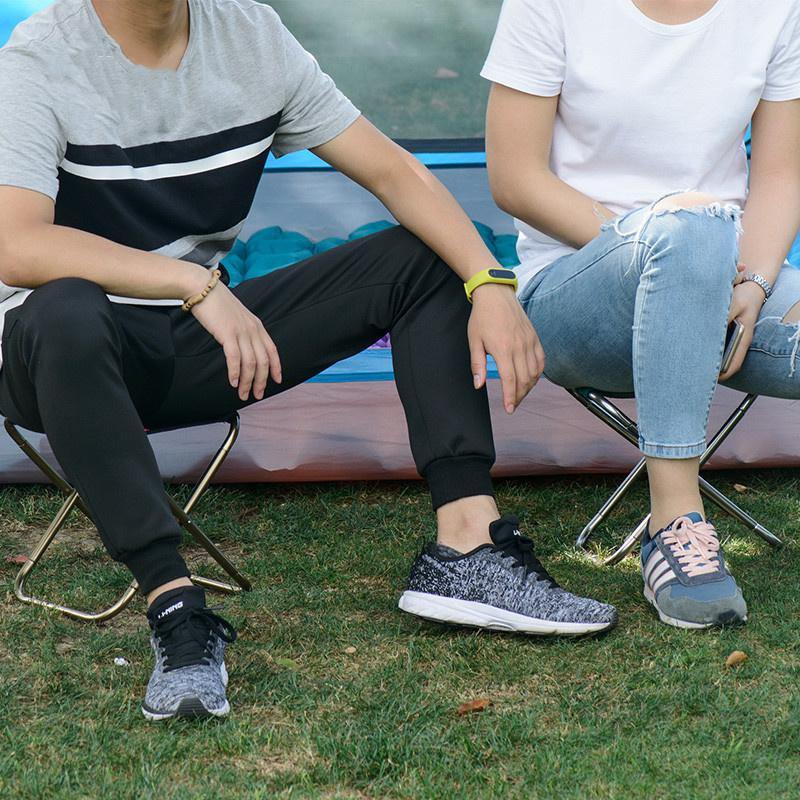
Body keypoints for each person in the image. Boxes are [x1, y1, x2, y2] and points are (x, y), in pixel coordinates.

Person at [0, 0, 618, 721]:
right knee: (68, 307)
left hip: (196, 346)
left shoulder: (251, 35)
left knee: (426, 257)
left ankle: (468, 545)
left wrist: (489, 282)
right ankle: (176, 608)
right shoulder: (40, 58)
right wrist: (194, 284)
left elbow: (393, 172)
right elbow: (17, 244)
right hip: (52, 356)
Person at [483, 0, 800, 630]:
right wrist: (667, 249)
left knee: (698, 231)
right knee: (690, 225)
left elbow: (780, 174)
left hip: (733, 275)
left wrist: (756, 282)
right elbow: (514, 177)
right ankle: (674, 525)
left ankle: (693, 247)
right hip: (575, 290)